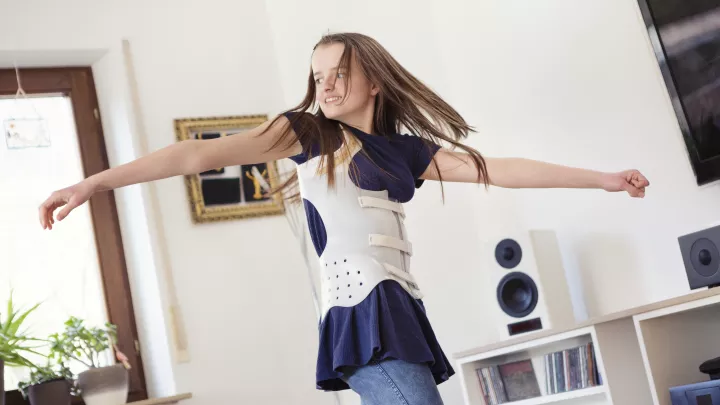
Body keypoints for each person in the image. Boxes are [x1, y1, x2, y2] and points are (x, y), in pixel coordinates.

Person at [38, 32, 649, 405]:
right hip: (361, 318)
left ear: (372, 82)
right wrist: (95, 181)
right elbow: (196, 153)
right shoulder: (307, 133)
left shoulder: (407, 151)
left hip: (400, 316)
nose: (325, 86)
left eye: (339, 73)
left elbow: (497, 169)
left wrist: (600, 178)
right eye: (317, 75)